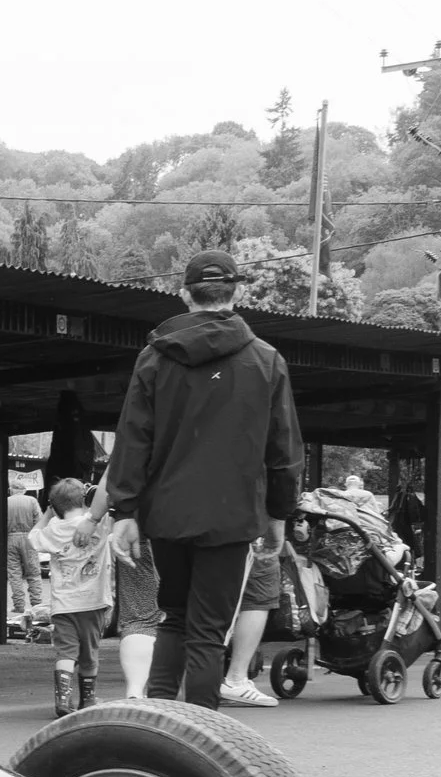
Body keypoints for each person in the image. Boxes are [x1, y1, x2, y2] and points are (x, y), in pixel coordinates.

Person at [105, 251, 304, 707]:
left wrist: (125, 511)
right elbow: (283, 448)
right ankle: (201, 732)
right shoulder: (266, 361)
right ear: (238, 293)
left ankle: (159, 715)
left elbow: (133, 438)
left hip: (168, 511)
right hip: (233, 514)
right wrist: (279, 514)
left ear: (184, 294)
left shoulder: (154, 359)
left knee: (172, 615)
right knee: (209, 630)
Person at [29, 477, 112, 715]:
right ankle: (88, 700)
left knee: (66, 652)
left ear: (54, 506)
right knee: (90, 651)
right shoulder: (98, 524)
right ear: (85, 502)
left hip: (63, 605)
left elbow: (33, 538)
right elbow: (107, 503)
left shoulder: (53, 530)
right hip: (93, 602)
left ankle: (63, 701)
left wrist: (47, 515)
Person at [219, 536, 286, 706]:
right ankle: (235, 679)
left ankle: (171, 684)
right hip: (247, 532)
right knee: (258, 598)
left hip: (180, 529)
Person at [3, 478, 43, 633]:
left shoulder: (6, 501)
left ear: (11, 489)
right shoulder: (32, 501)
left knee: (14, 573)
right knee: (33, 572)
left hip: (10, 538)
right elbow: (39, 520)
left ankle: (19, 605)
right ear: (24, 490)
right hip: (28, 538)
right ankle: (37, 604)